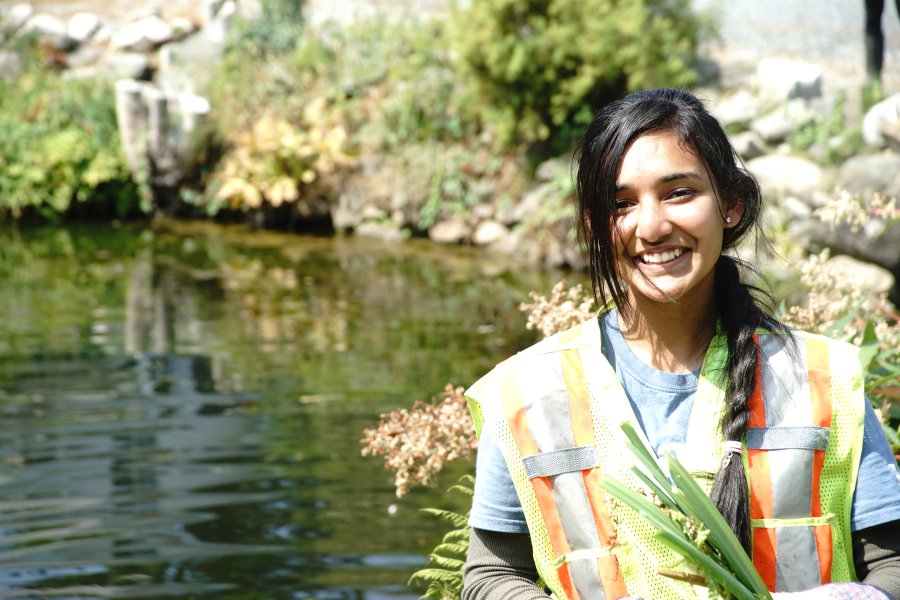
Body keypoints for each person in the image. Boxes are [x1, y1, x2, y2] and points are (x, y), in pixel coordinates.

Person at [462, 88, 900, 599]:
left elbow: (891, 567)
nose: (651, 226)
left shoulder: (820, 378)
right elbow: (492, 577)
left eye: (679, 193)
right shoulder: (528, 392)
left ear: (730, 204)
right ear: (594, 228)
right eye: (621, 204)